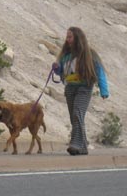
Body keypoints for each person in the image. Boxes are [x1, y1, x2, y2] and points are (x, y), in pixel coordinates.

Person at [51, 27, 109, 156]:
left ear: (78, 38)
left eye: (70, 37)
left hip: (84, 87)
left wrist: (104, 90)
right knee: (74, 117)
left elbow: (100, 72)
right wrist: (56, 68)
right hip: (70, 88)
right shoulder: (65, 55)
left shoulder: (90, 54)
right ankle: (82, 146)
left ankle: (75, 144)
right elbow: (61, 72)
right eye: (67, 37)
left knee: (78, 113)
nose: (67, 39)